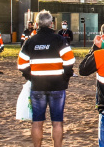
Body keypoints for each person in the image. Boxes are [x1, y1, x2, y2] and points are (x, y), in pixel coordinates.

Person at [18, 11, 75, 147]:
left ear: (37, 24)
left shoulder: (30, 41)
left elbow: (21, 64)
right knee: (57, 121)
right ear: (52, 24)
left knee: (37, 121)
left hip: (38, 85)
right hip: (57, 85)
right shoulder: (59, 39)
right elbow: (70, 60)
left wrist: (30, 76)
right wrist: (65, 77)